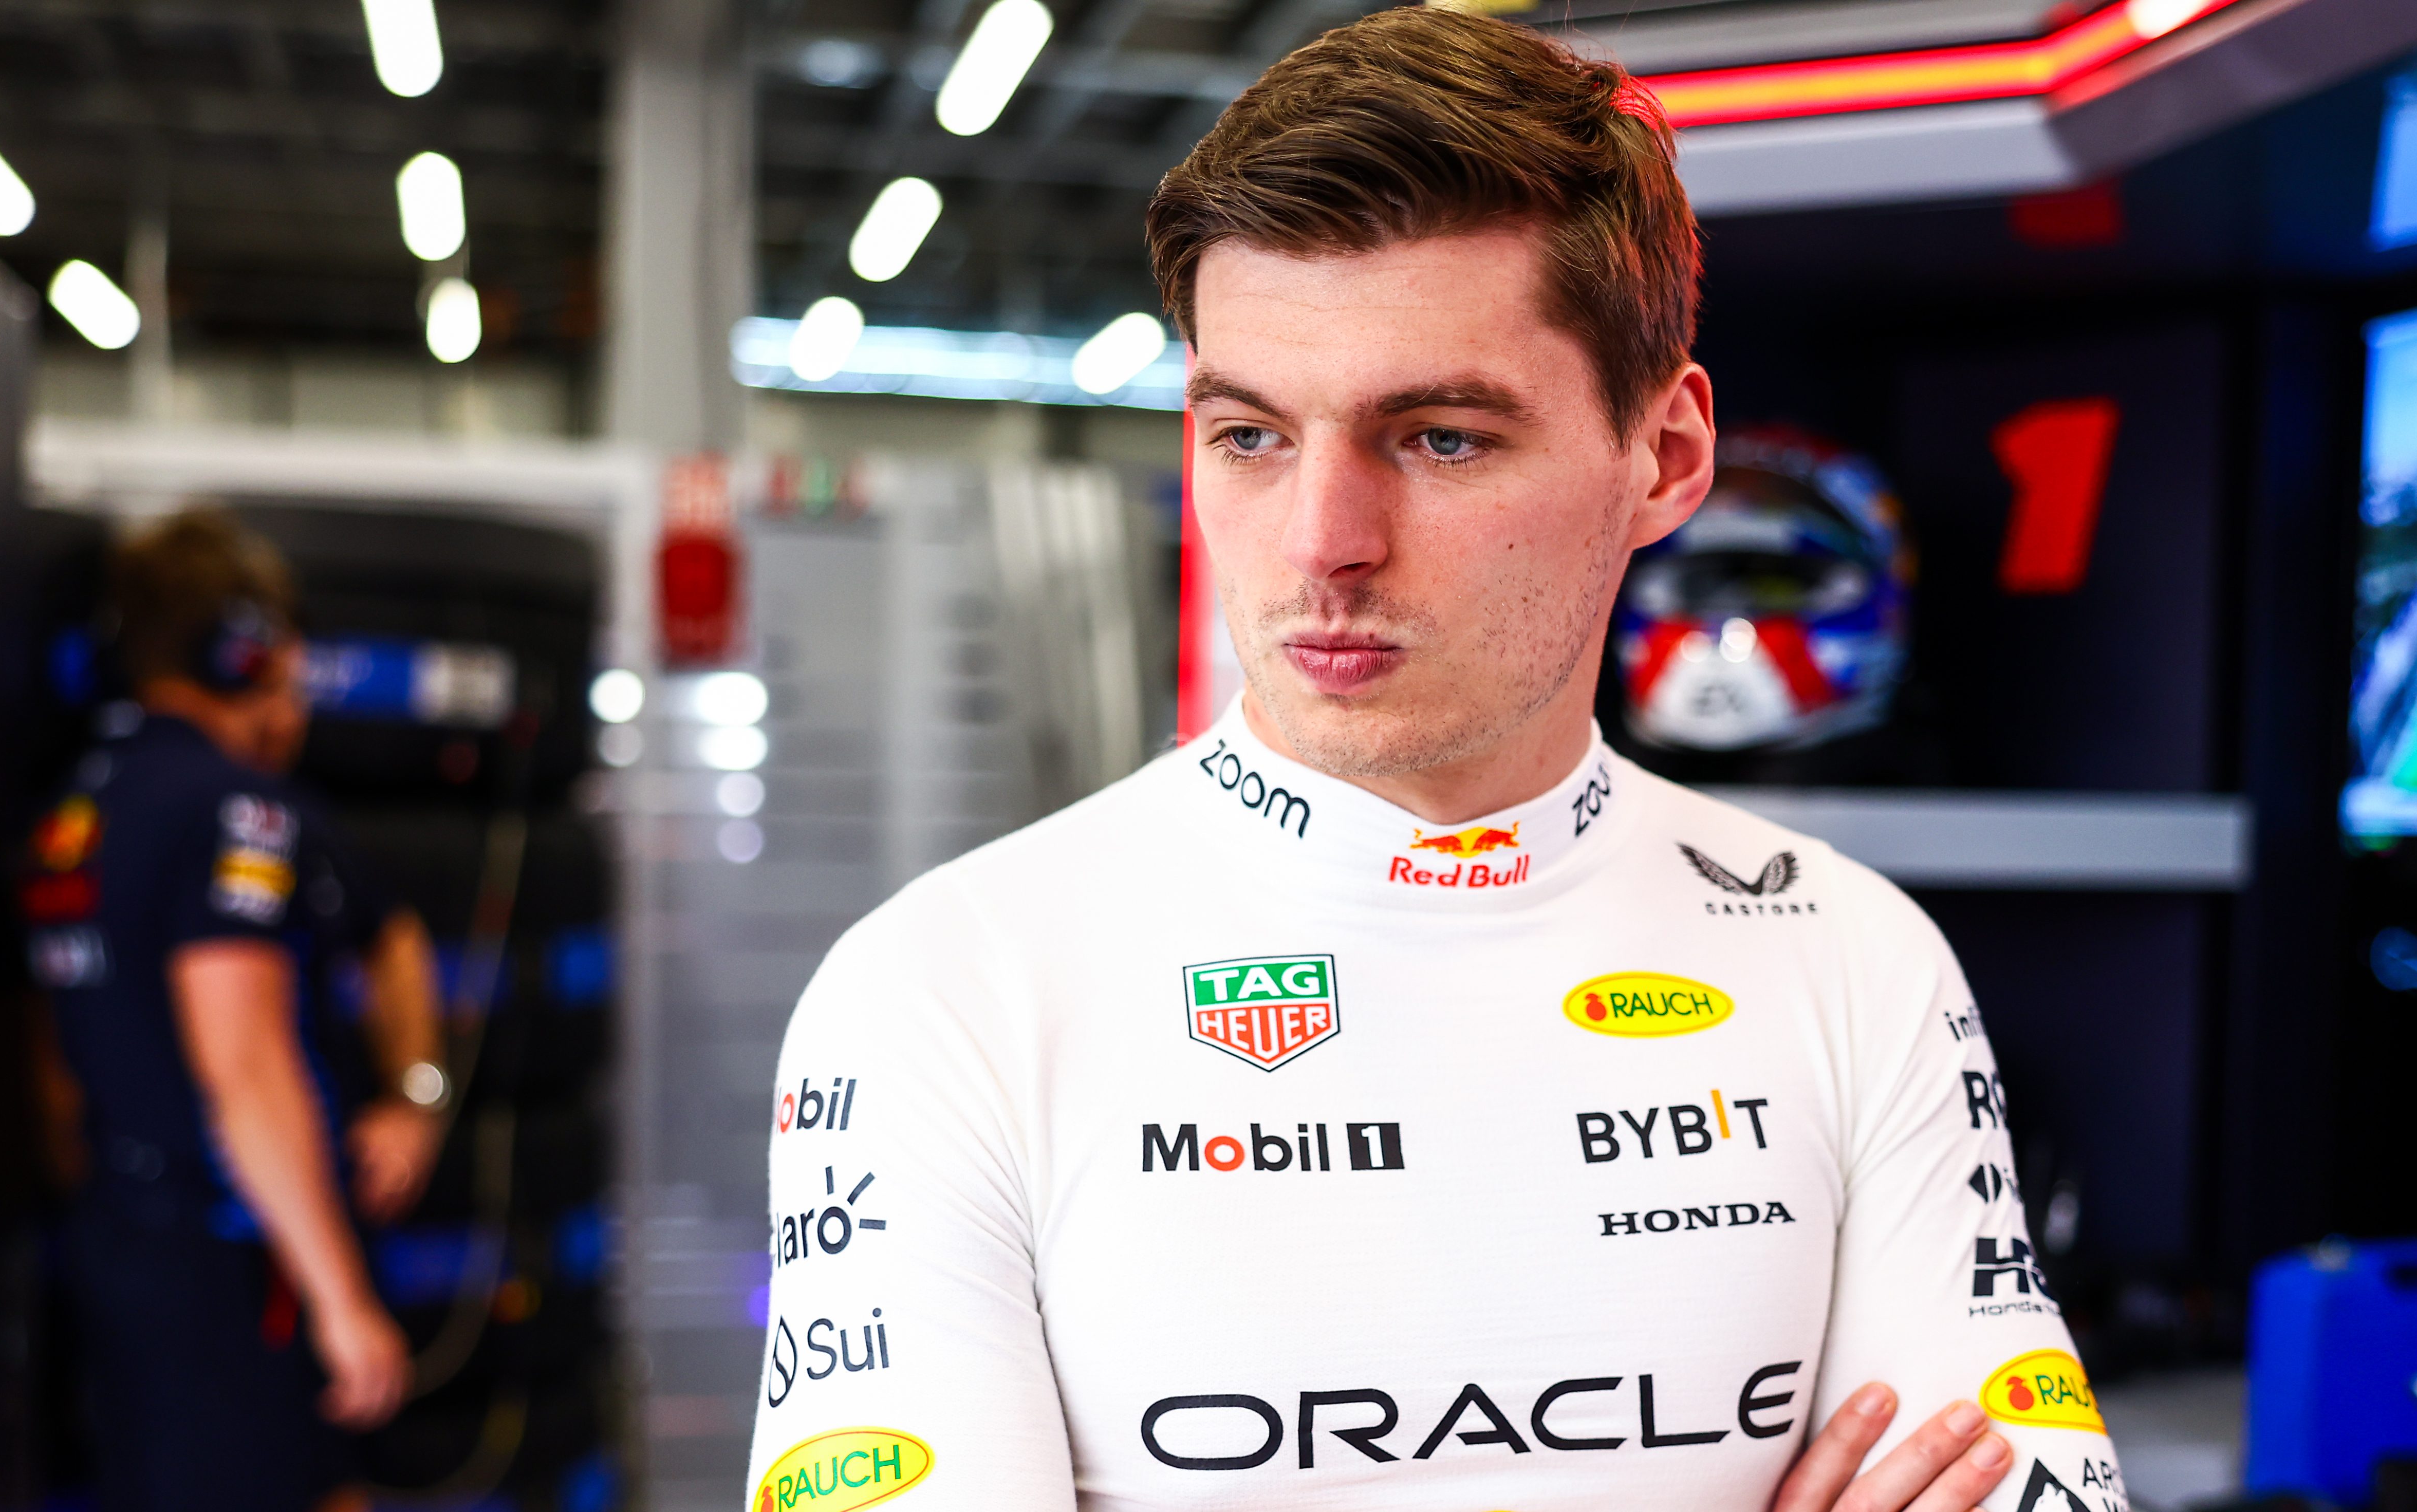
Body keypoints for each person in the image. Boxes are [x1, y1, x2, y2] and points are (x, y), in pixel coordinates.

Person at [745, 11, 2125, 1512]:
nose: (1324, 544)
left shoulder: (1851, 956)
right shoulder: (948, 993)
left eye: (1443, 439)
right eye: (1253, 438)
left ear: (1663, 458)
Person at [23, 508, 452, 1512]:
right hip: (236, 1266)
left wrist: (410, 1095)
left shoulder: (71, 812)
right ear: (244, 651)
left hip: (118, 1247)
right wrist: (341, 1299)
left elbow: (393, 940)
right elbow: (246, 1067)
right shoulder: (238, 811)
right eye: (289, 659)